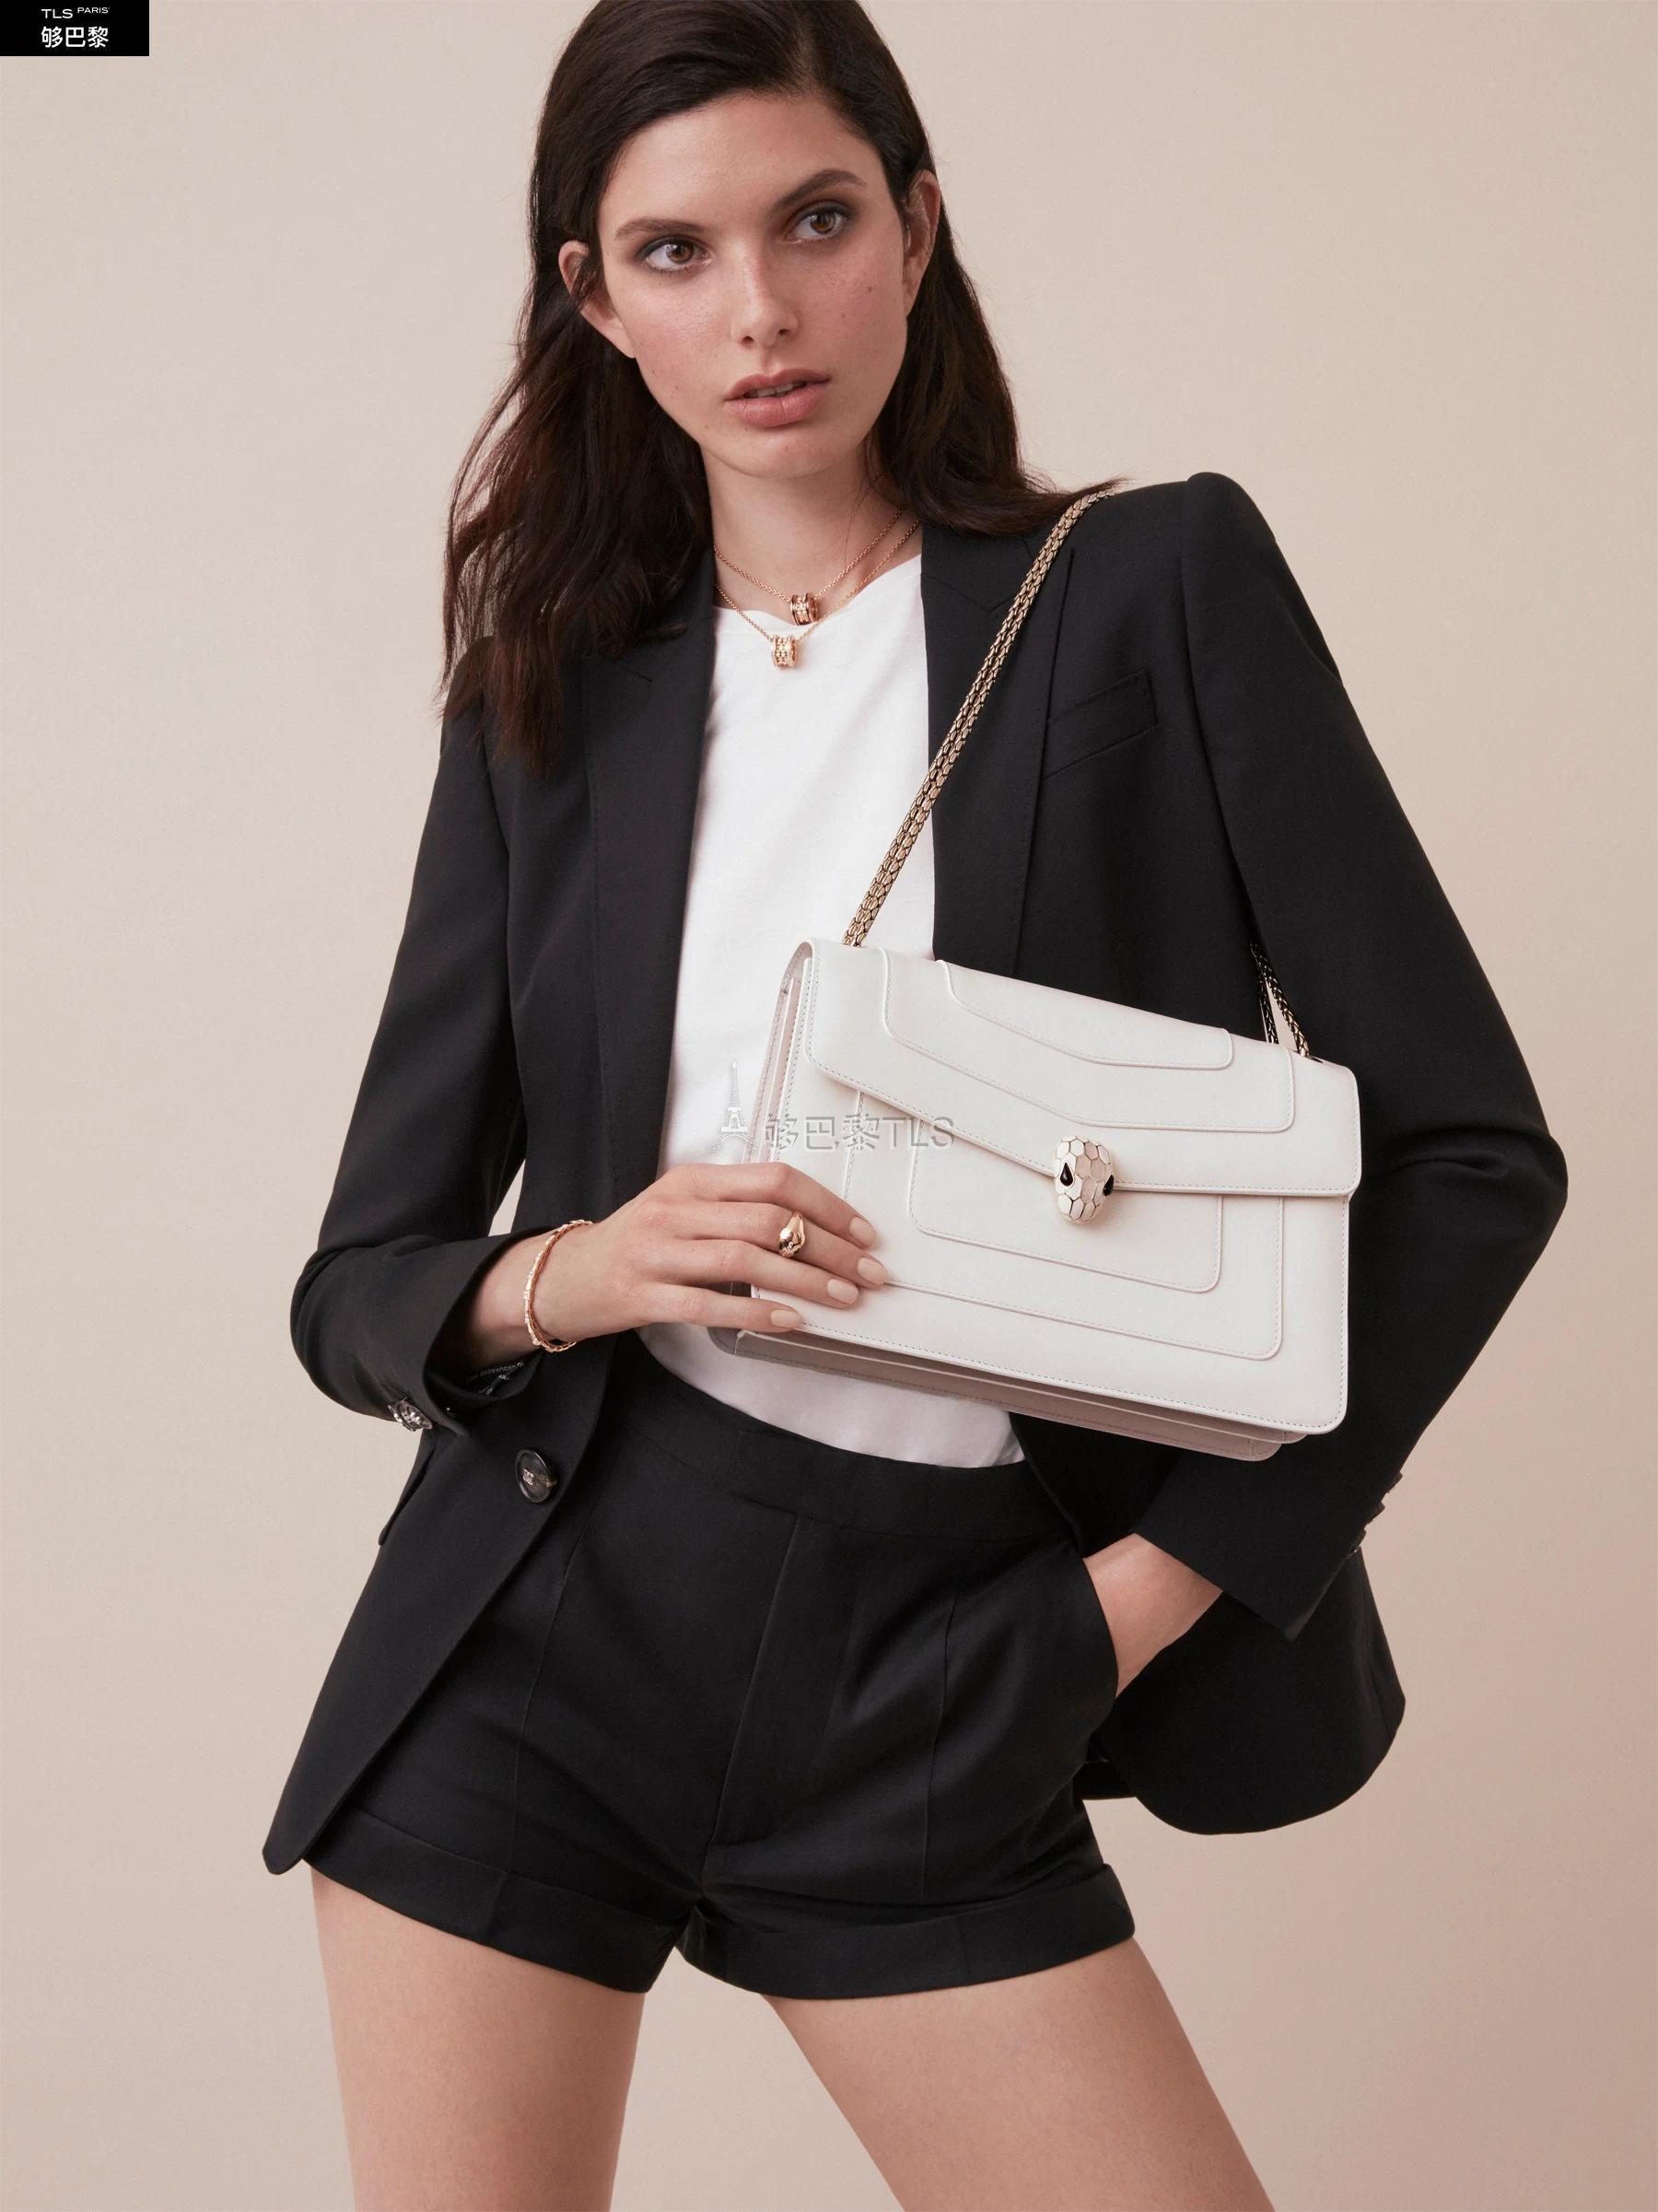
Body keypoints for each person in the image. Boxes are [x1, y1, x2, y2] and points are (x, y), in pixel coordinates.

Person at [262, 2, 1570, 2204]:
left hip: (948, 1660)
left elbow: (1470, 1158)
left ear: (917, 228)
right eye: (674, 253)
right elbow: (358, 1283)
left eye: (816, 220)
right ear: (596, 300)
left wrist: (1129, 1606)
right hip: (538, 1639)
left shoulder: (1150, 588)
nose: (760, 312)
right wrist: (577, 1267)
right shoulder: (548, 701)